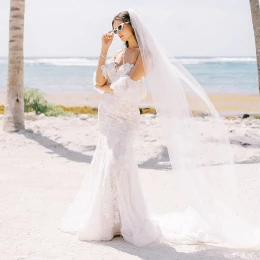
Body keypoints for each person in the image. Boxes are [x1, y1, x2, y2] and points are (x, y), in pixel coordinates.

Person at [60, 9, 260, 249]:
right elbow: (98, 82)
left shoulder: (145, 55)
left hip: (124, 119)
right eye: (113, 29)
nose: (116, 33)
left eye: (119, 28)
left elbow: (128, 88)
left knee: (117, 163)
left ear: (132, 26)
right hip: (107, 118)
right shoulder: (117, 53)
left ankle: (132, 220)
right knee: (106, 164)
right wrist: (103, 51)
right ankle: (112, 221)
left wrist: (107, 88)